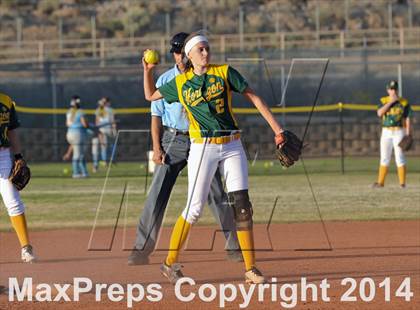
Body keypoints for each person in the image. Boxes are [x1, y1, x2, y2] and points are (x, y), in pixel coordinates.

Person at [142, 31, 287, 284]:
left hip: (232, 145)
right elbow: (151, 96)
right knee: (195, 208)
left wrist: (278, 130)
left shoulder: (224, 72)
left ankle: (251, 268)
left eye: (207, 48)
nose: (206, 53)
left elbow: (254, 97)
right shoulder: (180, 83)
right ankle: (169, 263)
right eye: (201, 50)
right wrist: (147, 71)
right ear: (189, 55)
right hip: (202, 148)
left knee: (242, 205)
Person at [128, 32, 242, 266]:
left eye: (182, 51)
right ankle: (141, 248)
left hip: (203, 141)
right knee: (158, 193)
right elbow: (155, 115)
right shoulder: (166, 80)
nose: (179, 55)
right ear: (174, 54)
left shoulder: (205, 75)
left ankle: (234, 245)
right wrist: (157, 146)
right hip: (175, 140)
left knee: (216, 194)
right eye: (176, 51)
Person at [0, 92, 36, 263]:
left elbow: (12, 131)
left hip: (3, 156)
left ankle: (26, 248)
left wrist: (18, 156)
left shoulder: (6, 101)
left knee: (13, 201)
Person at [373, 80, 413, 188]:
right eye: (391, 89)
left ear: (397, 90)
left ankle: (402, 183)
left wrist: (408, 134)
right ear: (387, 90)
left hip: (399, 131)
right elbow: (379, 113)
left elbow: (408, 118)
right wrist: (391, 102)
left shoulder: (404, 102)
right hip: (386, 131)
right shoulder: (383, 100)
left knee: (399, 156)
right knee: (384, 157)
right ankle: (380, 182)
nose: (393, 91)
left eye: (395, 89)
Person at [66, 96, 89, 178]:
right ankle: (76, 173)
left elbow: (67, 124)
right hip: (78, 134)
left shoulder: (69, 112)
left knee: (80, 154)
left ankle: (84, 172)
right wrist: (88, 125)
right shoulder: (80, 111)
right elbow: (85, 124)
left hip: (69, 133)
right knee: (77, 155)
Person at [93, 97, 117, 172]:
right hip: (103, 130)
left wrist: (113, 128)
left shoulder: (108, 110)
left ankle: (107, 161)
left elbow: (97, 122)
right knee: (104, 146)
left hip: (105, 130)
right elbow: (97, 121)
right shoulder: (100, 110)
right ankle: (105, 161)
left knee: (107, 146)